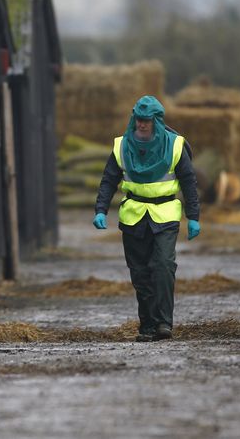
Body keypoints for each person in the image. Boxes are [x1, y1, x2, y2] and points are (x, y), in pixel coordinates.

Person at [92, 95, 200, 342]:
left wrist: (193, 216)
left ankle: (164, 323)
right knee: (140, 274)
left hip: (165, 215)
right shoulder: (122, 147)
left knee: (162, 266)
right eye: (138, 120)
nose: (141, 125)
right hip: (133, 217)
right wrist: (100, 209)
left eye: (147, 121)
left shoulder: (174, 146)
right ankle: (148, 326)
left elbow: (189, 182)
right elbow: (109, 179)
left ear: (157, 121)